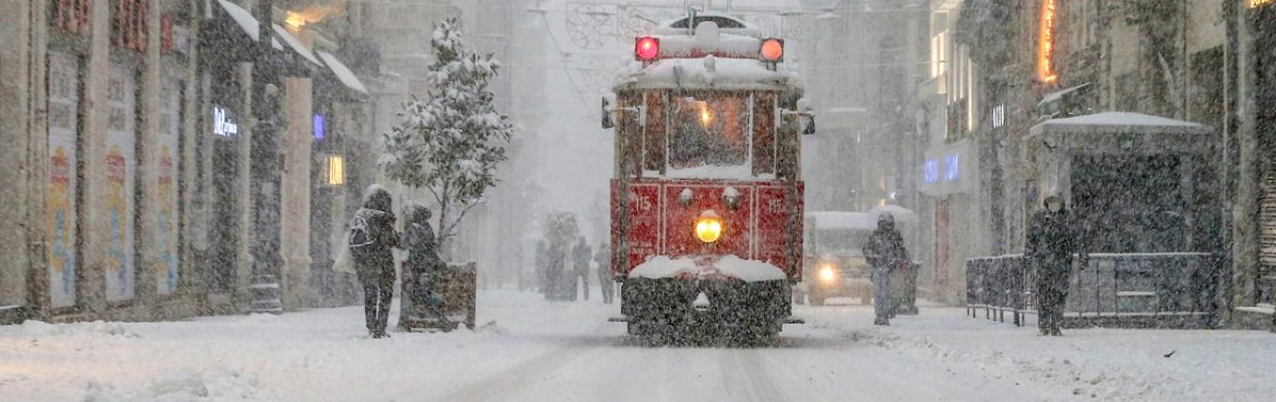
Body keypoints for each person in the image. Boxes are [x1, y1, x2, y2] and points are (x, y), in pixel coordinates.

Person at [1025, 195, 1084, 336]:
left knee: (1059, 294)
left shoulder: (1068, 217)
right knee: (1044, 293)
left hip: (1061, 262)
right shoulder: (1039, 217)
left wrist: (1082, 254)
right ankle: (1044, 324)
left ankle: (1056, 323)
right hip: (1045, 262)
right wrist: (1028, 257)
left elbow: (1078, 238)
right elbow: (1030, 240)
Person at [349, 185, 399, 338]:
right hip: (382, 262)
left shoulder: (361, 215)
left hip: (365, 262)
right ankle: (380, 327)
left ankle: (371, 326)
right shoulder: (383, 218)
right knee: (385, 294)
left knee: (370, 295)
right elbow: (389, 240)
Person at [399, 204, 452, 331]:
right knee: (421, 292)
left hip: (419, 267)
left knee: (414, 292)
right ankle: (437, 317)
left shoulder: (414, 228)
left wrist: (399, 236)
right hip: (429, 266)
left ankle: (406, 321)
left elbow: (404, 244)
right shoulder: (427, 227)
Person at [863, 212, 909, 326]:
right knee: (880, 292)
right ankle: (880, 314)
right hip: (879, 268)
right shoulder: (874, 236)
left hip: (892, 268)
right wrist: (874, 259)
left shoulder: (895, 235)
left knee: (889, 292)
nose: (886, 227)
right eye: (884, 224)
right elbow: (867, 250)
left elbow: (901, 250)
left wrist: (897, 261)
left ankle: (887, 312)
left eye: (888, 224)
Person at [572, 237, 592, 302]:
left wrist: (582, 260)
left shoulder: (588, 248)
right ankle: (575, 296)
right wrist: (580, 261)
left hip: (583, 267)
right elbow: (573, 256)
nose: (582, 241)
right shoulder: (575, 248)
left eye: (582, 240)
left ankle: (586, 297)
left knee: (585, 283)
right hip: (579, 267)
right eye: (581, 240)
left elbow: (589, 256)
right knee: (575, 282)